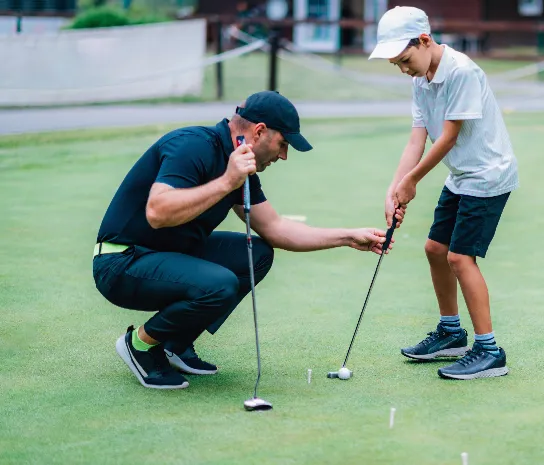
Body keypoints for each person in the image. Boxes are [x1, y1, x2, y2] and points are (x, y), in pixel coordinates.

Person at [92, 91, 393, 390]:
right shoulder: (193, 145)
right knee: (219, 284)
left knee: (258, 253)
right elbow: (158, 212)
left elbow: (274, 228)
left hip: (168, 255)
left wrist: (348, 237)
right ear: (259, 131)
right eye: (283, 144)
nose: (284, 156)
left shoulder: (240, 165)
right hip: (122, 261)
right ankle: (140, 345)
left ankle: (174, 343)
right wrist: (228, 181)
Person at [368, 7, 519, 380]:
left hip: (488, 176)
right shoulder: (421, 78)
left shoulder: (462, 72)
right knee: (434, 249)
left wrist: (413, 181)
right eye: (396, 65)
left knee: (459, 257)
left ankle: (488, 351)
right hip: (461, 176)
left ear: (424, 40)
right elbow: (417, 138)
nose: (404, 69)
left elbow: (448, 137)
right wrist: (395, 186)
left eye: (405, 60)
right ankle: (451, 332)